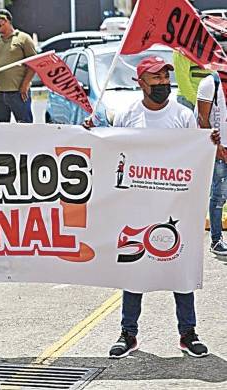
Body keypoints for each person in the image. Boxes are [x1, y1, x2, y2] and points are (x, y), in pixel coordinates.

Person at [104, 56, 212, 359]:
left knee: (180, 268)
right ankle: (128, 333)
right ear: (141, 83)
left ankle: (187, 333)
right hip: (136, 208)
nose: (164, 83)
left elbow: (195, 154)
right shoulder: (127, 115)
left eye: (166, 77)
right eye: (156, 78)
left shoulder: (181, 115)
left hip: (175, 206)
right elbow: (111, 154)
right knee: (133, 272)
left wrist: (209, 143)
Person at [0, 9, 36, 123]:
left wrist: (25, 85)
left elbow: (33, 64)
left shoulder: (23, 38)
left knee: (25, 126)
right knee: (0, 128)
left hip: (18, 92)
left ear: (5, 20)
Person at [197, 71, 227, 255]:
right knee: (219, 196)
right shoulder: (210, 83)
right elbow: (203, 118)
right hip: (219, 148)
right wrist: (216, 148)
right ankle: (216, 240)